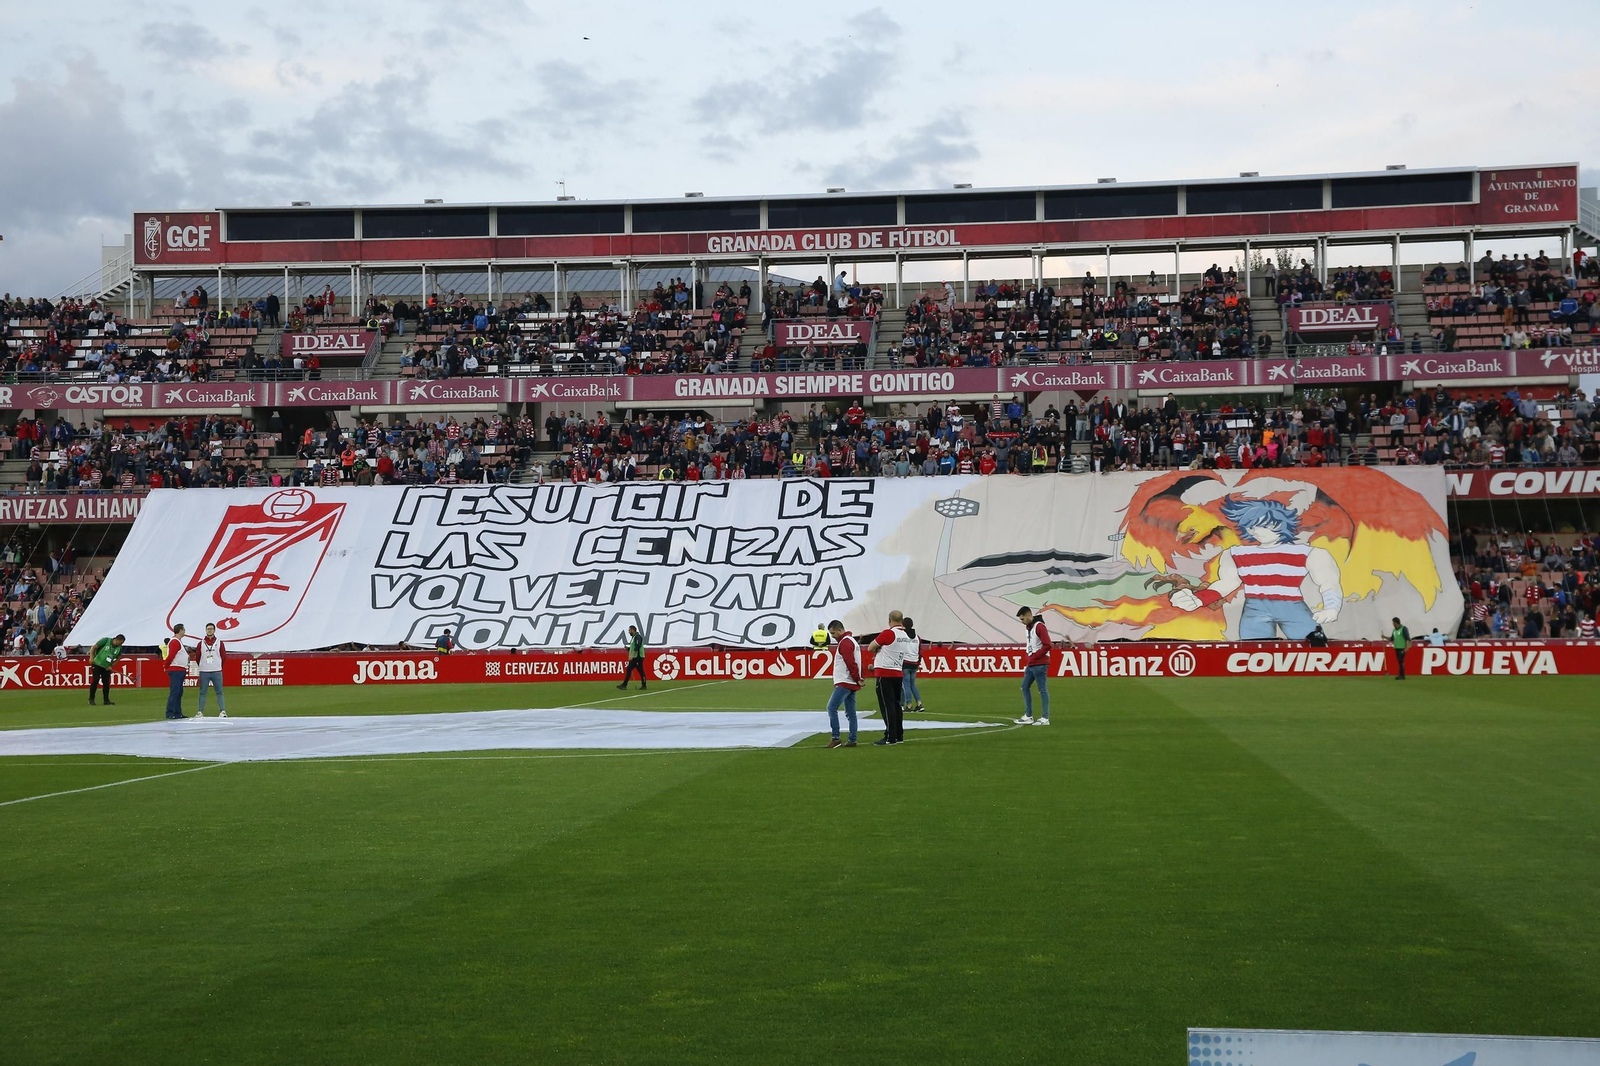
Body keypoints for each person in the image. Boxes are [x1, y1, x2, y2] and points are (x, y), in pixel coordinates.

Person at [866, 610, 907, 746]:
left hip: (885, 672)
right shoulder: (904, 634)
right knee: (896, 705)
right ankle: (898, 734)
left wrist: (879, 648)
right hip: (897, 671)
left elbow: (871, 647)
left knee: (886, 705)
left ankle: (890, 736)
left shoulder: (889, 633)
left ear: (889, 620)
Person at [824, 620, 862, 748]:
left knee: (831, 707)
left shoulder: (845, 642)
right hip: (850, 681)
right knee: (851, 713)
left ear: (840, 630)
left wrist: (857, 678)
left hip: (845, 681)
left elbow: (850, 662)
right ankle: (852, 739)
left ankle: (835, 737)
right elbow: (855, 661)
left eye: (833, 633)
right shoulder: (852, 641)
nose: (833, 636)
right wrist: (858, 678)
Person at [1015, 606, 1052, 725]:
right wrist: (1029, 657)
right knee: (1025, 687)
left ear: (1029, 615)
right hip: (1032, 663)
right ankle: (1028, 716)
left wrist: (1035, 656)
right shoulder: (1029, 627)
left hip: (1040, 663)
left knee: (1042, 690)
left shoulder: (1039, 626)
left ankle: (1045, 718)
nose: (1022, 622)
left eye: (1023, 619)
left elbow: (1048, 645)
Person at [193, 622, 227, 718]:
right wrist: (202, 666)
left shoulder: (219, 643)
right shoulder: (201, 643)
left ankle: (222, 711)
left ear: (214, 630)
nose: (210, 630)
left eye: (211, 629)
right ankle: (200, 711)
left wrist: (218, 665)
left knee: (219, 691)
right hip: (204, 671)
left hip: (216, 670)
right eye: (208, 629)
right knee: (202, 692)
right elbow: (198, 657)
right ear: (206, 630)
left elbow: (223, 657)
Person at [162, 623, 191, 719]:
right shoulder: (175, 642)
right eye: (184, 629)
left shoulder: (177, 641)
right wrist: (166, 665)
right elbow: (171, 656)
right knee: (175, 692)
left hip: (180, 669)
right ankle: (170, 712)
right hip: (176, 669)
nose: (185, 631)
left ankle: (178, 712)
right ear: (181, 630)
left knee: (178, 692)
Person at [88, 633, 125, 705]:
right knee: (95, 680)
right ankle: (91, 699)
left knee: (106, 683)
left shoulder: (119, 648)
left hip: (107, 667)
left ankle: (106, 700)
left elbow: (118, 658)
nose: (121, 645)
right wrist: (91, 658)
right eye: (121, 643)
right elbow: (94, 647)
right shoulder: (105, 640)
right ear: (117, 640)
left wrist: (112, 665)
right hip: (97, 663)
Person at [900, 616, 924, 712]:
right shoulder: (917, 637)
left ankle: (909, 705)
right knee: (912, 684)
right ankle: (919, 704)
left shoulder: (902, 636)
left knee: (906, 685)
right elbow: (920, 651)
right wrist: (918, 662)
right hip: (914, 662)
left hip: (905, 662)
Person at [617, 625, 647, 690]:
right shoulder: (634, 637)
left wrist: (631, 655)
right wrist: (628, 648)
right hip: (636, 657)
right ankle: (643, 685)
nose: (629, 632)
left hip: (637, 657)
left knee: (633, 670)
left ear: (633, 630)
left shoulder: (637, 637)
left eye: (629, 630)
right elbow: (633, 647)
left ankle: (624, 685)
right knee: (635, 670)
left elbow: (637, 646)